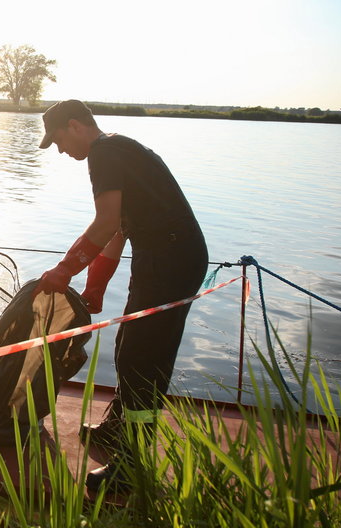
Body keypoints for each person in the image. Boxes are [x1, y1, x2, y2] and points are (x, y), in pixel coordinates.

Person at [34, 99, 208, 490]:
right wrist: (94, 287)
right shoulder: (118, 149)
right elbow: (117, 233)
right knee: (129, 344)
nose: (60, 150)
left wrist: (64, 270)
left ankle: (132, 462)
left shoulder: (104, 153)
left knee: (143, 356)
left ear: (75, 126)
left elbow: (104, 223)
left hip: (171, 259)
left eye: (58, 139)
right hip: (163, 256)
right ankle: (117, 428)